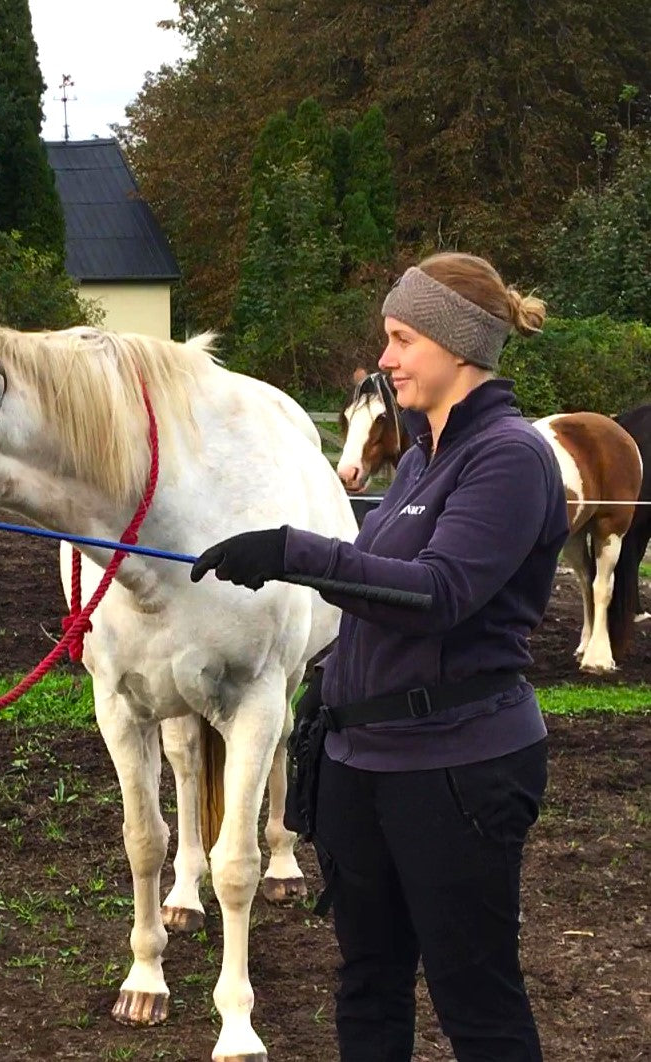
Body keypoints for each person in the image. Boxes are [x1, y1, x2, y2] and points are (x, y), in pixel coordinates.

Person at [191, 252, 570, 1062]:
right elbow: (380, 578)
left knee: (477, 1000)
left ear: (457, 343)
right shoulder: (425, 456)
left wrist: (296, 550)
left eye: (402, 340)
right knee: (368, 983)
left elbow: (436, 594)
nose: (386, 359)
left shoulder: (508, 457)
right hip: (365, 762)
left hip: (455, 770)